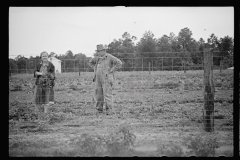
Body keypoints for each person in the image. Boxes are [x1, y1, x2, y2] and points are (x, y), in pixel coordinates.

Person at [89, 44, 122, 114]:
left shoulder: (109, 57)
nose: (98, 53)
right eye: (97, 51)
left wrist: (112, 70)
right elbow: (90, 62)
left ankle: (109, 110)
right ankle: (99, 110)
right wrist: (95, 68)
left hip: (107, 78)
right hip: (98, 79)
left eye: (99, 51)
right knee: (99, 94)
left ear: (104, 51)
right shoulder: (97, 58)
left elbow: (119, 63)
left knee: (107, 94)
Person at [34, 51, 55, 119]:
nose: (44, 57)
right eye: (43, 56)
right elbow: (35, 73)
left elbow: (53, 75)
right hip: (39, 83)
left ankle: (45, 114)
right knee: (38, 98)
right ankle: (38, 114)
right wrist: (41, 73)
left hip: (48, 84)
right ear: (41, 57)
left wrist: (49, 75)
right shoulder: (38, 65)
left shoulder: (51, 65)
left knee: (47, 98)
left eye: (46, 56)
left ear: (48, 57)